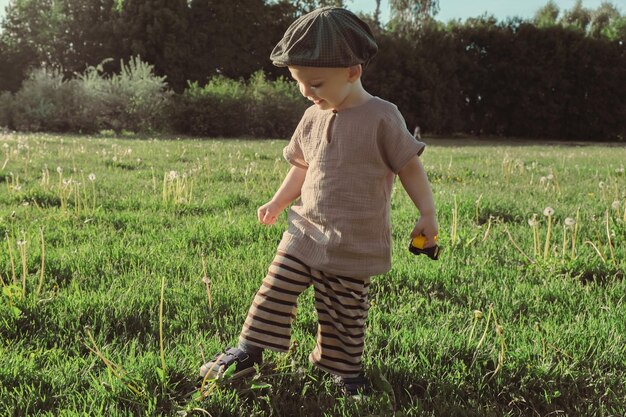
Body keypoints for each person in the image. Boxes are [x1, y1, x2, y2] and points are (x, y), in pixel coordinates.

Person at [200, 6, 438, 396]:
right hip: (305, 232)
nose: (307, 93)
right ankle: (248, 350)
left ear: (352, 71)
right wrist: (278, 203)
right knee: (274, 288)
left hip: (354, 240)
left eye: (315, 84)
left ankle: (343, 371)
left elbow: (409, 167)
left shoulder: (382, 117)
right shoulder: (311, 117)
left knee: (344, 314)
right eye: (299, 83)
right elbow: (301, 167)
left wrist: (426, 212)